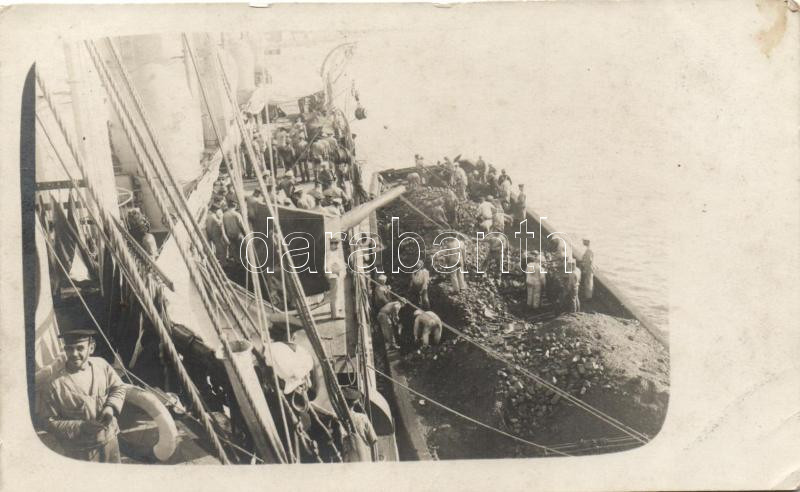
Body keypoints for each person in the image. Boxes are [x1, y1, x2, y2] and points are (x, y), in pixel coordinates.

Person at [40, 328, 127, 463]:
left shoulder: (102, 365)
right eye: (69, 348)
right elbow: (48, 422)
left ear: (91, 348)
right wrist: (81, 427)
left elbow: (119, 387)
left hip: (110, 441)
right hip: (80, 451)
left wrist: (110, 408)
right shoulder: (54, 384)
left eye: (80, 348)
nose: (74, 354)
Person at [341, 388, 378, 462]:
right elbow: (373, 440)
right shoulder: (362, 418)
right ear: (355, 403)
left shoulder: (338, 419)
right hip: (363, 458)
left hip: (347, 460)